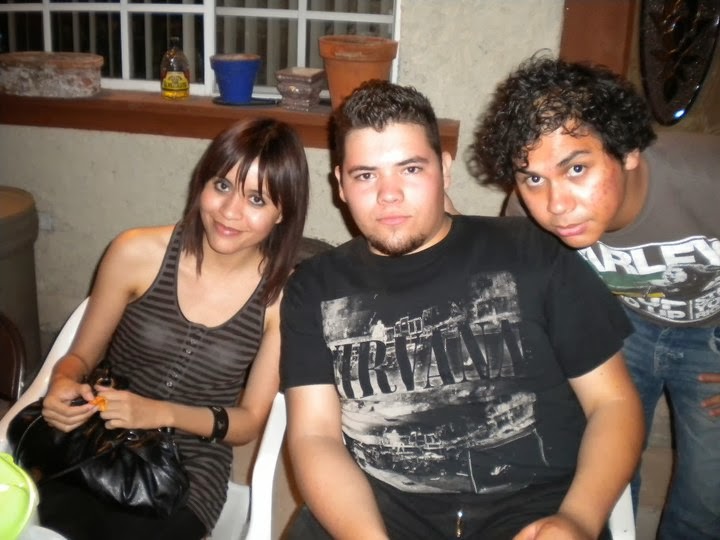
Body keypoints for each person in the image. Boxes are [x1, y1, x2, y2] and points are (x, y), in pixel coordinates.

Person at [280, 79, 643, 540]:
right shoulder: (314, 286)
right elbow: (315, 435)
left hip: (534, 512)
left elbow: (613, 403)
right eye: (366, 175)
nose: (389, 194)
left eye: (411, 169)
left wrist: (578, 518)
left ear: (445, 170)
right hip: (368, 510)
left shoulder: (533, 253)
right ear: (341, 185)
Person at [469, 55, 720, 539]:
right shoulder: (524, 212)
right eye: (533, 178)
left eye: (577, 168)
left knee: (707, 500)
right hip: (620, 328)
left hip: (712, 336)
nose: (556, 205)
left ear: (628, 150)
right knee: (601, 475)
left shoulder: (707, 179)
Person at [38, 117, 310, 540]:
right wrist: (62, 381)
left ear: (282, 213)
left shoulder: (281, 297)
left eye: (256, 199)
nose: (229, 211)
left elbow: (248, 422)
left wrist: (160, 413)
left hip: (190, 470)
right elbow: (80, 356)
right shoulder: (135, 252)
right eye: (222, 185)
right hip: (97, 440)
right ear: (202, 182)